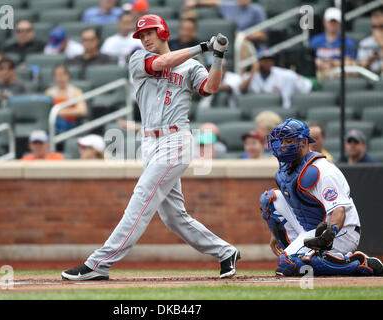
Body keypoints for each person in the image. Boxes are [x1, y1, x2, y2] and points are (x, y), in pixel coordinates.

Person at [62, 14, 240, 281]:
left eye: (150, 33)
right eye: (142, 35)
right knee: (174, 217)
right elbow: (163, 63)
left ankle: (100, 262)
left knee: (142, 198)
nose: (145, 39)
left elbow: (211, 87)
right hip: (149, 142)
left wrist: (218, 56)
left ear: (163, 32)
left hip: (176, 140)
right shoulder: (137, 59)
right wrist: (203, 47)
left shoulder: (190, 66)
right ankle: (226, 252)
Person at [259, 118, 383, 277]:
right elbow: (293, 205)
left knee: (290, 263)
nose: (282, 147)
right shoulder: (287, 171)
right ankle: (300, 256)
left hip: (341, 230)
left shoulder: (322, 170)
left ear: (303, 142)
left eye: (288, 141)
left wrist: (330, 233)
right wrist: (275, 233)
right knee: (270, 199)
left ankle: (359, 263)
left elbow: (339, 210)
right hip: (310, 227)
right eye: (281, 142)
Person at [239, 47, 313, 108]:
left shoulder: (286, 75)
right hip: (259, 113)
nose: (268, 62)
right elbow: (242, 90)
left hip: (282, 111)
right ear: (258, 62)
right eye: (264, 59)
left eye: (270, 59)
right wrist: (253, 71)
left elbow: (307, 86)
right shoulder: (250, 76)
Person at [309, 7, 357, 82]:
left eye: (335, 22)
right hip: (318, 73)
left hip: (339, 75)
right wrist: (321, 63)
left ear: (340, 23)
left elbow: (350, 63)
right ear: (324, 22)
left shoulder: (347, 42)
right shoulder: (315, 40)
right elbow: (309, 60)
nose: (333, 24)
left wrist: (332, 63)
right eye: (330, 21)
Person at [45, 64, 88, 134]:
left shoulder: (76, 92)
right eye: (57, 75)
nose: (60, 78)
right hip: (54, 124)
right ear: (54, 77)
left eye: (62, 75)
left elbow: (82, 110)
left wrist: (57, 112)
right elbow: (45, 112)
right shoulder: (49, 92)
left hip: (70, 125)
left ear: (68, 75)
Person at [357, 7, 383, 75]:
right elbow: (361, 67)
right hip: (370, 76)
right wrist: (370, 60)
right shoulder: (365, 43)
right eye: (374, 27)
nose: (377, 30)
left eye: (381, 26)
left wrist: (381, 43)